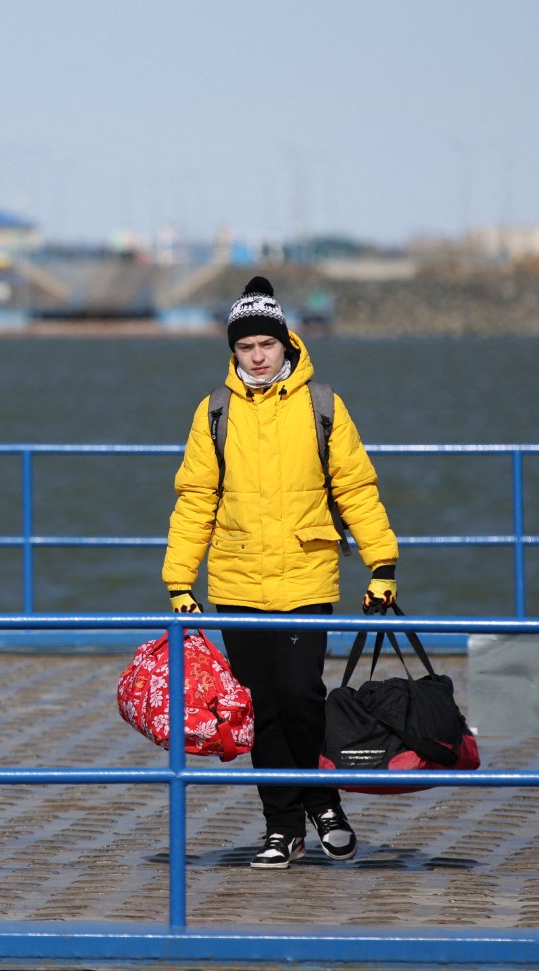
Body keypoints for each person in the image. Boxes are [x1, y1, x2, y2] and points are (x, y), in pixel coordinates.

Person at [163, 275, 398, 870]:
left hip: (305, 576)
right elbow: (196, 499)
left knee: (300, 696)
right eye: (246, 347)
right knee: (260, 707)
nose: (258, 356)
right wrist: (178, 582)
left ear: (286, 342)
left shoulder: (322, 404)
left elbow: (355, 486)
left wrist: (382, 563)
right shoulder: (214, 412)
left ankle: (324, 805)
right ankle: (281, 827)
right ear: (233, 352)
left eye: (267, 343)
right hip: (237, 581)